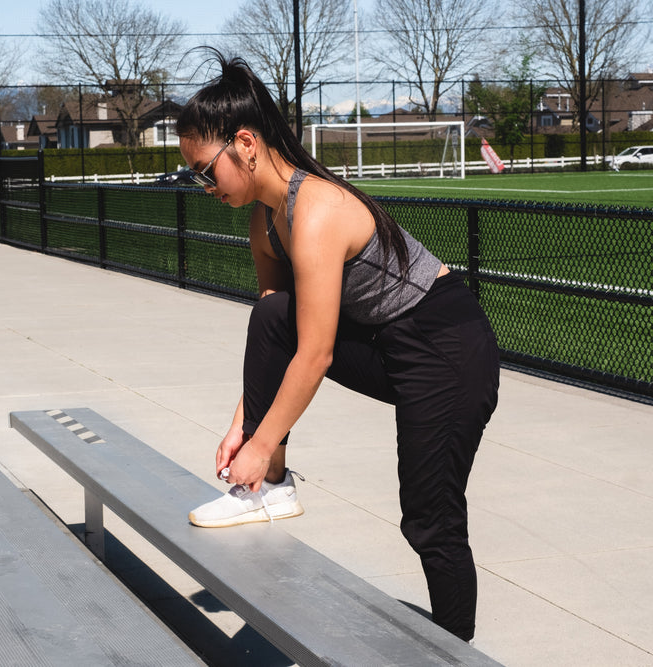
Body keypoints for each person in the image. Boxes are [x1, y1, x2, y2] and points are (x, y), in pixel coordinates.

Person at [178, 51, 500, 643]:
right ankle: (273, 486)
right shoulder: (265, 217)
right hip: (390, 342)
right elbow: (282, 335)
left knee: (429, 518)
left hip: (447, 347)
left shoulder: (318, 210)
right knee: (272, 313)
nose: (203, 186)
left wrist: (263, 437)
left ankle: (455, 651)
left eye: (204, 170)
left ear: (245, 144)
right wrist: (244, 429)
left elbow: (316, 355)